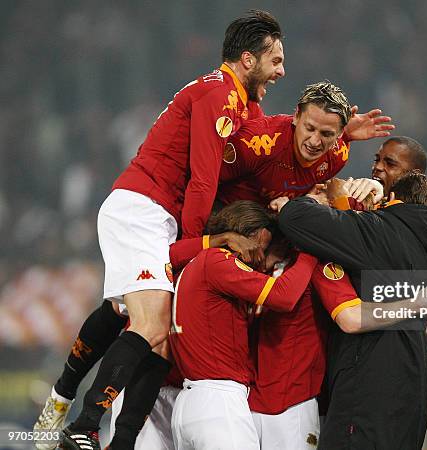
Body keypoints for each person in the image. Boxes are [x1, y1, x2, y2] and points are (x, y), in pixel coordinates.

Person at [53, 10, 285, 450]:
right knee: (150, 322)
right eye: (275, 59)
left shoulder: (236, 99)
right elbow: (203, 180)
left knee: (157, 341)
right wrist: (193, 249)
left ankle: (108, 434)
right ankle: (81, 423)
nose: (281, 70)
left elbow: (269, 134)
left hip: (153, 214)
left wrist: (341, 138)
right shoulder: (218, 96)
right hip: (143, 208)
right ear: (248, 60)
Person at [276, 171, 427, 450]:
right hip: (413, 378)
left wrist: (321, 198)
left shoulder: (382, 231)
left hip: (370, 375)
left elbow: (295, 217)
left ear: (393, 199)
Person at [168, 201, 318, 450]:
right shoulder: (218, 261)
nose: (264, 261)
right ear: (255, 236)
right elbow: (284, 296)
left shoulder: (197, 264)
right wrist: (311, 250)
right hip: (218, 403)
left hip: (192, 402)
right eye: (267, 247)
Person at [216, 80, 391, 207]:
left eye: (326, 133)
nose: (315, 141)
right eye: (309, 128)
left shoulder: (337, 156)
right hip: (226, 219)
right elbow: (206, 182)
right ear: (297, 116)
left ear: (339, 133)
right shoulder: (256, 142)